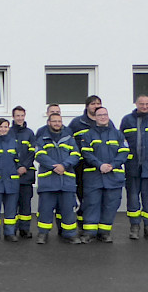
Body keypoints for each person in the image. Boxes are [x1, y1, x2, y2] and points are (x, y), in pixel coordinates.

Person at [77, 107, 130, 243]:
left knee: (110, 205)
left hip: (113, 177)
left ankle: (104, 232)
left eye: (105, 114)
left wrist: (112, 165)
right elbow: (86, 153)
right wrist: (100, 165)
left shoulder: (118, 134)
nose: (103, 117)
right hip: (94, 176)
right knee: (91, 204)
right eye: (99, 115)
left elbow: (124, 152)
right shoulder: (87, 135)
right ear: (94, 117)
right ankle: (89, 232)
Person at [119, 95, 148, 241]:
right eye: (141, 104)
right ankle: (134, 227)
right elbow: (122, 141)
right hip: (132, 165)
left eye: (147, 104)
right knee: (132, 197)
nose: (144, 106)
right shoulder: (127, 120)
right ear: (136, 104)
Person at [34, 112, 82, 244]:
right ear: (48, 122)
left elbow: (76, 154)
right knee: (45, 209)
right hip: (48, 181)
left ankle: (70, 234)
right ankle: (43, 234)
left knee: (68, 210)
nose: (56, 123)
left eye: (59, 121)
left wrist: (64, 165)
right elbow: (39, 155)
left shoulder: (69, 138)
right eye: (54, 121)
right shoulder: (42, 138)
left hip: (66, 181)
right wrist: (54, 166)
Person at [69, 95, 103, 226]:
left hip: (99, 165)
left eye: (98, 103)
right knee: (82, 194)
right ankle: (82, 223)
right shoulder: (77, 123)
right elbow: (70, 142)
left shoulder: (106, 122)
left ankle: (96, 223)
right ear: (87, 106)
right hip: (82, 165)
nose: (96, 106)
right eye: (93, 104)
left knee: (97, 196)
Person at [9, 106, 36, 239]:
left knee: (26, 204)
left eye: (22, 115)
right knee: (12, 204)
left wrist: (24, 166)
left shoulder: (30, 133)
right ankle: (11, 230)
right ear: (13, 117)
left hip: (26, 175)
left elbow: (32, 153)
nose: (20, 118)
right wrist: (17, 167)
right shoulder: (8, 132)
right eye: (17, 115)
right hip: (12, 174)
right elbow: (8, 153)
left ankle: (24, 229)